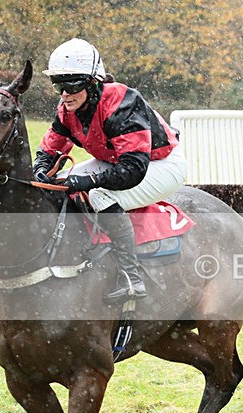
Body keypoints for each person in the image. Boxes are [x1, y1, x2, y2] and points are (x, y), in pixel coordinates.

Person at [33, 38, 186, 304]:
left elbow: (133, 170)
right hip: (120, 161)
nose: (65, 94)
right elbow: (51, 147)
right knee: (58, 183)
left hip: (161, 164)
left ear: (94, 83)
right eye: (58, 85)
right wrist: (41, 168)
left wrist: (88, 182)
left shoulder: (122, 103)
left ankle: (131, 278)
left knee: (99, 194)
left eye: (72, 85)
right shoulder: (68, 108)